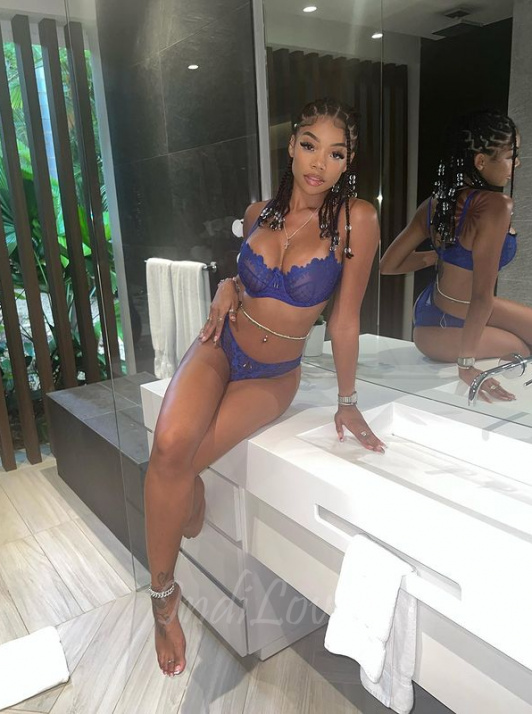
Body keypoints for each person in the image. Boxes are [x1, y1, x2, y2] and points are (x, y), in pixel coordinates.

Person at [143, 98, 384, 677]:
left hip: (274, 375)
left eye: (336, 153)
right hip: (219, 344)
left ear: (348, 163)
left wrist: (347, 401)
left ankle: (188, 502)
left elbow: (345, 319)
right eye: (310, 145)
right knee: (169, 449)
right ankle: (163, 600)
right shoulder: (258, 213)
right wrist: (228, 284)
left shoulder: (356, 220)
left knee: (180, 466)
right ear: (291, 145)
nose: (319, 164)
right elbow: (246, 279)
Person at [380, 109, 532, 402]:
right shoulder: (497, 206)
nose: (517, 163)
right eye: (511, 156)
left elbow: (389, 265)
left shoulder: (435, 204)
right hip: (444, 325)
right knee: (522, 348)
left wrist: (435, 257)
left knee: (522, 343)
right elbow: (481, 296)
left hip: (432, 310)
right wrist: (466, 364)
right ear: (481, 161)